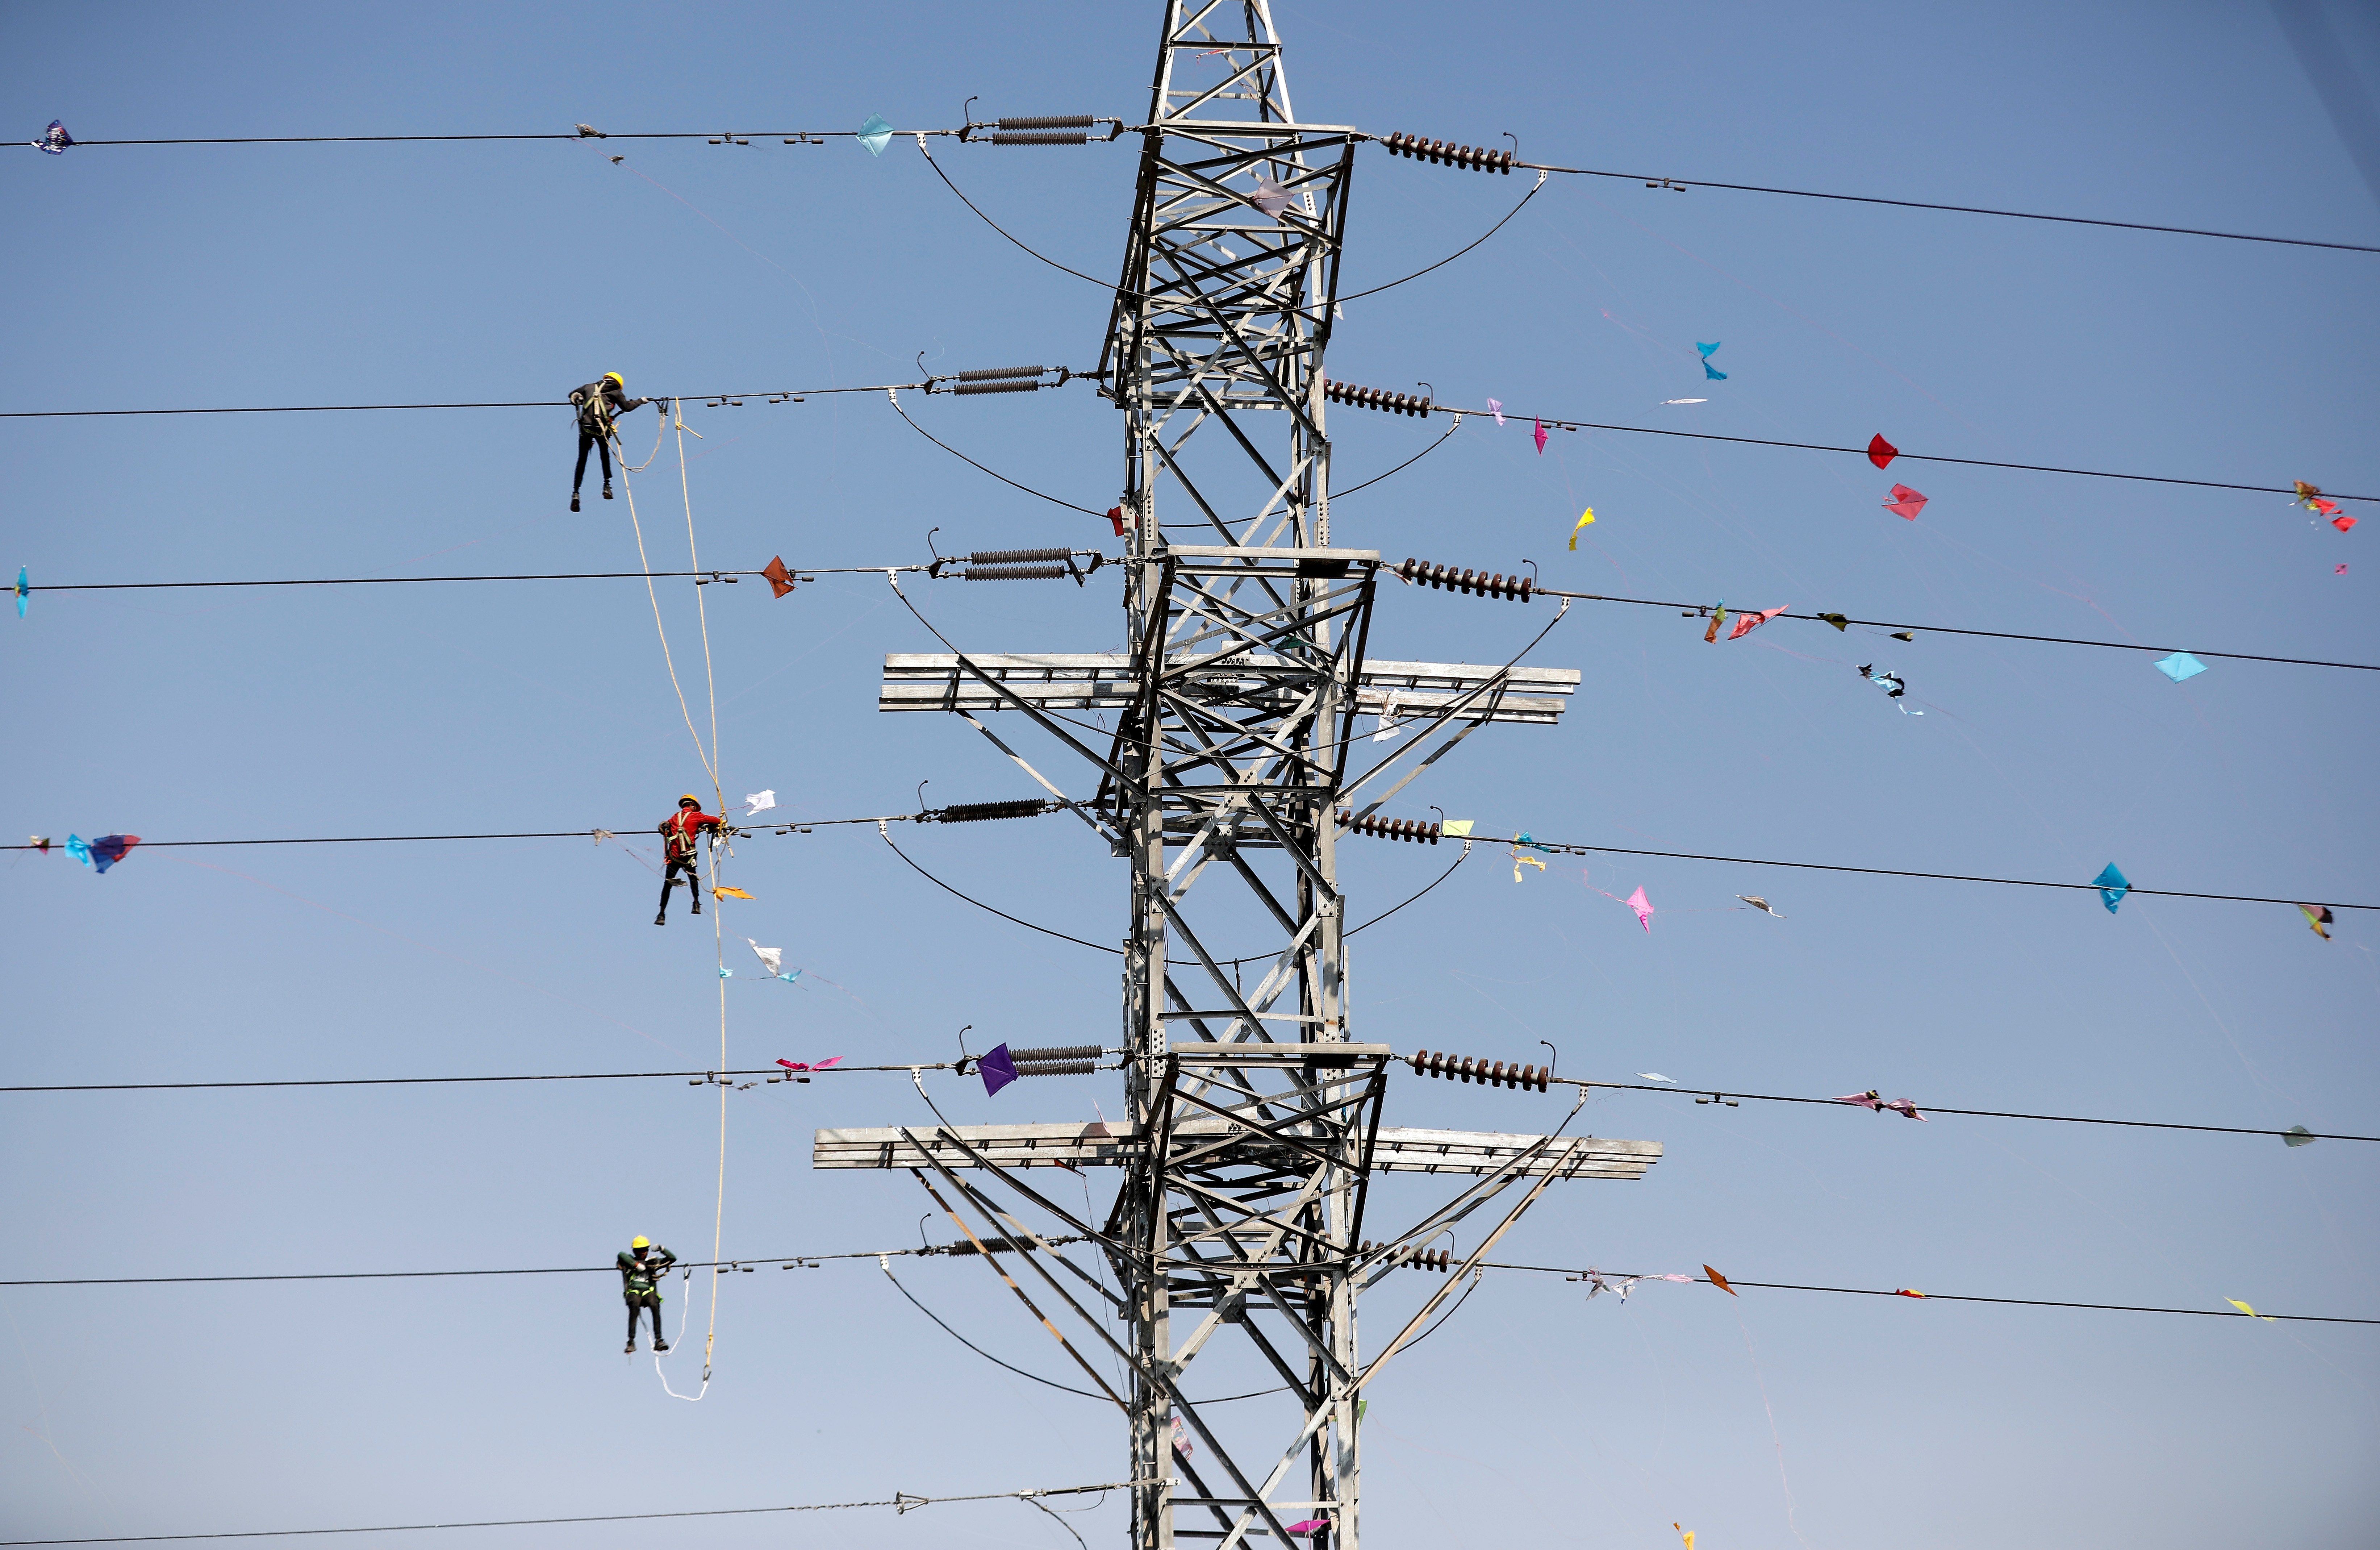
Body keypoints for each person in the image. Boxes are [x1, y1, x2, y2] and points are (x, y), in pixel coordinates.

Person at [569, 372, 659, 511]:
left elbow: (573, 395)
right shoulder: (616, 392)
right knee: (604, 455)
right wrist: (641, 401)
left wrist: (577, 397)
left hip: (586, 429)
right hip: (601, 429)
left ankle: (576, 493)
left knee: (582, 460)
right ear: (618, 383)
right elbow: (627, 407)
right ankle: (607, 486)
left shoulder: (588, 387)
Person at [656, 795, 722, 925]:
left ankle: (661, 914)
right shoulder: (696, 816)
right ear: (692, 805)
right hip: (688, 856)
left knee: (667, 885)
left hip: (674, 857)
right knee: (693, 878)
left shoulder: (675, 817)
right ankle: (696, 904)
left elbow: (666, 826)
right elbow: (717, 821)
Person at [618, 1236, 677, 1353]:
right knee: (634, 1306)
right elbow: (621, 1255)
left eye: (645, 1250)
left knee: (655, 1304)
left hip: (648, 1291)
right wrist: (636, 1265)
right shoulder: (630, 1261)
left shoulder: (652, 1263)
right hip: (634, 1291)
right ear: (635, 1251)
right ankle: (631, 1341)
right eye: (640, 1250)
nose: (642, 1253)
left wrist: (662, 1249)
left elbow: (672, 1258)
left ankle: (659, 1340)